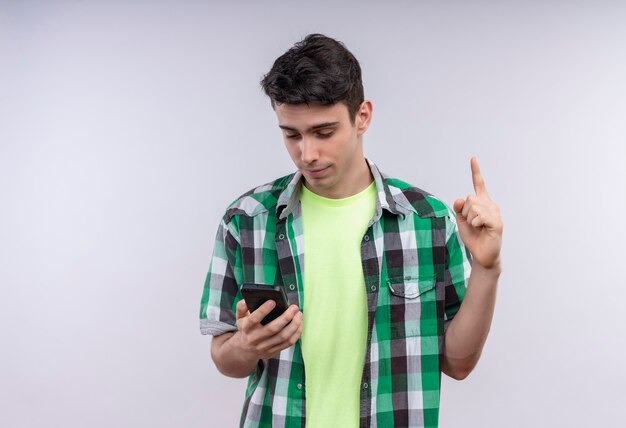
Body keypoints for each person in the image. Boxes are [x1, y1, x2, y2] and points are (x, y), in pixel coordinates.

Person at [199, 33, 503, 428]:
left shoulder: (427, 219)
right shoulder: (246, 219)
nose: (307, 153)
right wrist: (246, 345)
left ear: (363, 116)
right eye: (291, 134)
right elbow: (225, 357)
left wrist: (488, 270)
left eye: (324, 132)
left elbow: (458, 364)